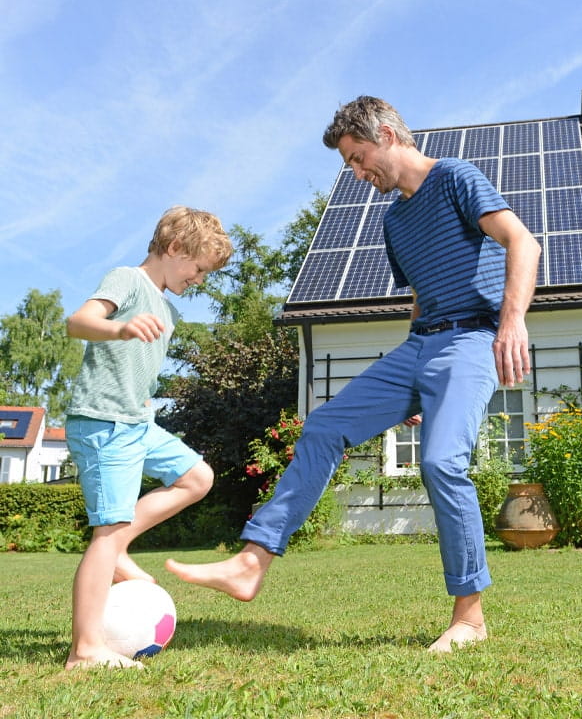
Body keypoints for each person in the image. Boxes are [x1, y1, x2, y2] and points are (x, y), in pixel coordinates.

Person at [166, 95, 541, 653]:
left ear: (388, 135)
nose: (357, 173)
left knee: (441, 462)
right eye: (350, 164)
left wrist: (511, 324)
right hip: (421, 346)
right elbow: (421, 299)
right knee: (323, 427)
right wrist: (409, 383)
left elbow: (522, 242)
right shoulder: (394, 220)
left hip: (472, 339)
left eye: (358, 158)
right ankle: (252, 561)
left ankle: (470, 617)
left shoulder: (457, 177)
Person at [64, 206, 233, 669]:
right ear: (174, 248)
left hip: (136, 422)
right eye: (198, 269)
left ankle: (115, 548)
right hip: (103, 422)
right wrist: (118, 327)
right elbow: (78, 322)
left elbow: (136, 371)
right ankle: (85, 649)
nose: (199, 279)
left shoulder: (166, 307)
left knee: (197, 477)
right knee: (108, 530)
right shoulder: (128, 279)